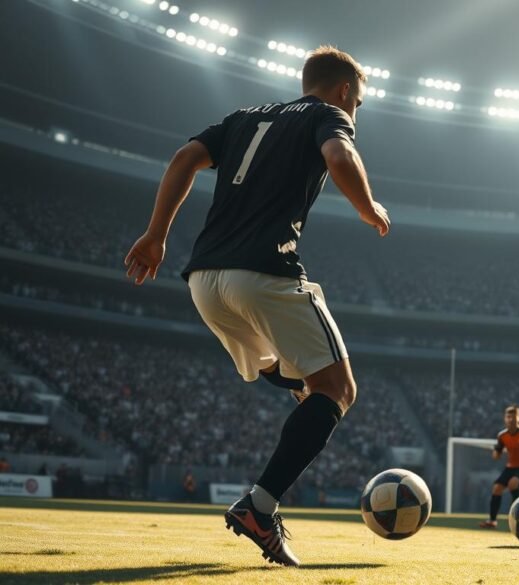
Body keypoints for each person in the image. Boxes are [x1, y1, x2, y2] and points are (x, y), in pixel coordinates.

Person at [123, 46, 390, 566]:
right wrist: (368, 206)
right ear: (343, 92)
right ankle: (259, 508)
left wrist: (156, 235)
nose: (354, 111)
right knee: (340, 389)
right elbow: (340, 156)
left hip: (203, 280)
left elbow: (184, 159)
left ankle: (300, 407)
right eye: (357, 102)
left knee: (289, 374)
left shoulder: (245, 117)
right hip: (264, 271)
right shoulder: (328, 114)